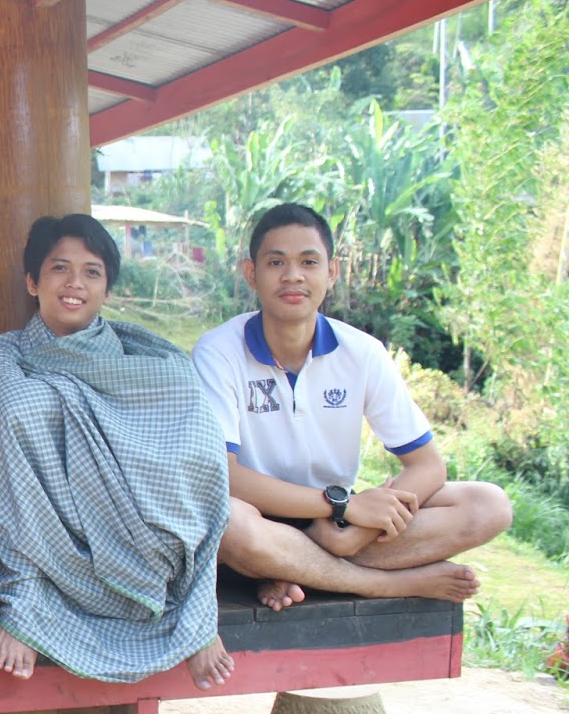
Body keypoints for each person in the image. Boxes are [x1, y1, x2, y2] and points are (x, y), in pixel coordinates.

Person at [193, 203, 513, 610]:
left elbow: (427, 465)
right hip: (262, 517)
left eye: (309, 262)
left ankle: (289, 567)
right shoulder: (219, 351)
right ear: (251, 273)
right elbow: (224, 478)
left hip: (338, 524)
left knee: (488, 505)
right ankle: (379, 584)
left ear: (332, 272)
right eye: (276, 262)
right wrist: (344, 504)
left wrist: (356, 531)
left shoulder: (362, 352)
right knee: (230, 522)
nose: (293, 275)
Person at [0, 214, 233, 691]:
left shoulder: (148, 360)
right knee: (24, 413)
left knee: (193, 416)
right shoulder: (3, 354)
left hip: (153, 541)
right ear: (33, 282)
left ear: (107, 289)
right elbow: (13, 413)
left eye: (91, 272)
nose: (75, 283)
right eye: (60, 268)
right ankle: (25, 603)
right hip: (56, 548)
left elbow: (197, 455)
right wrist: (64, 402)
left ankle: (192, 611)